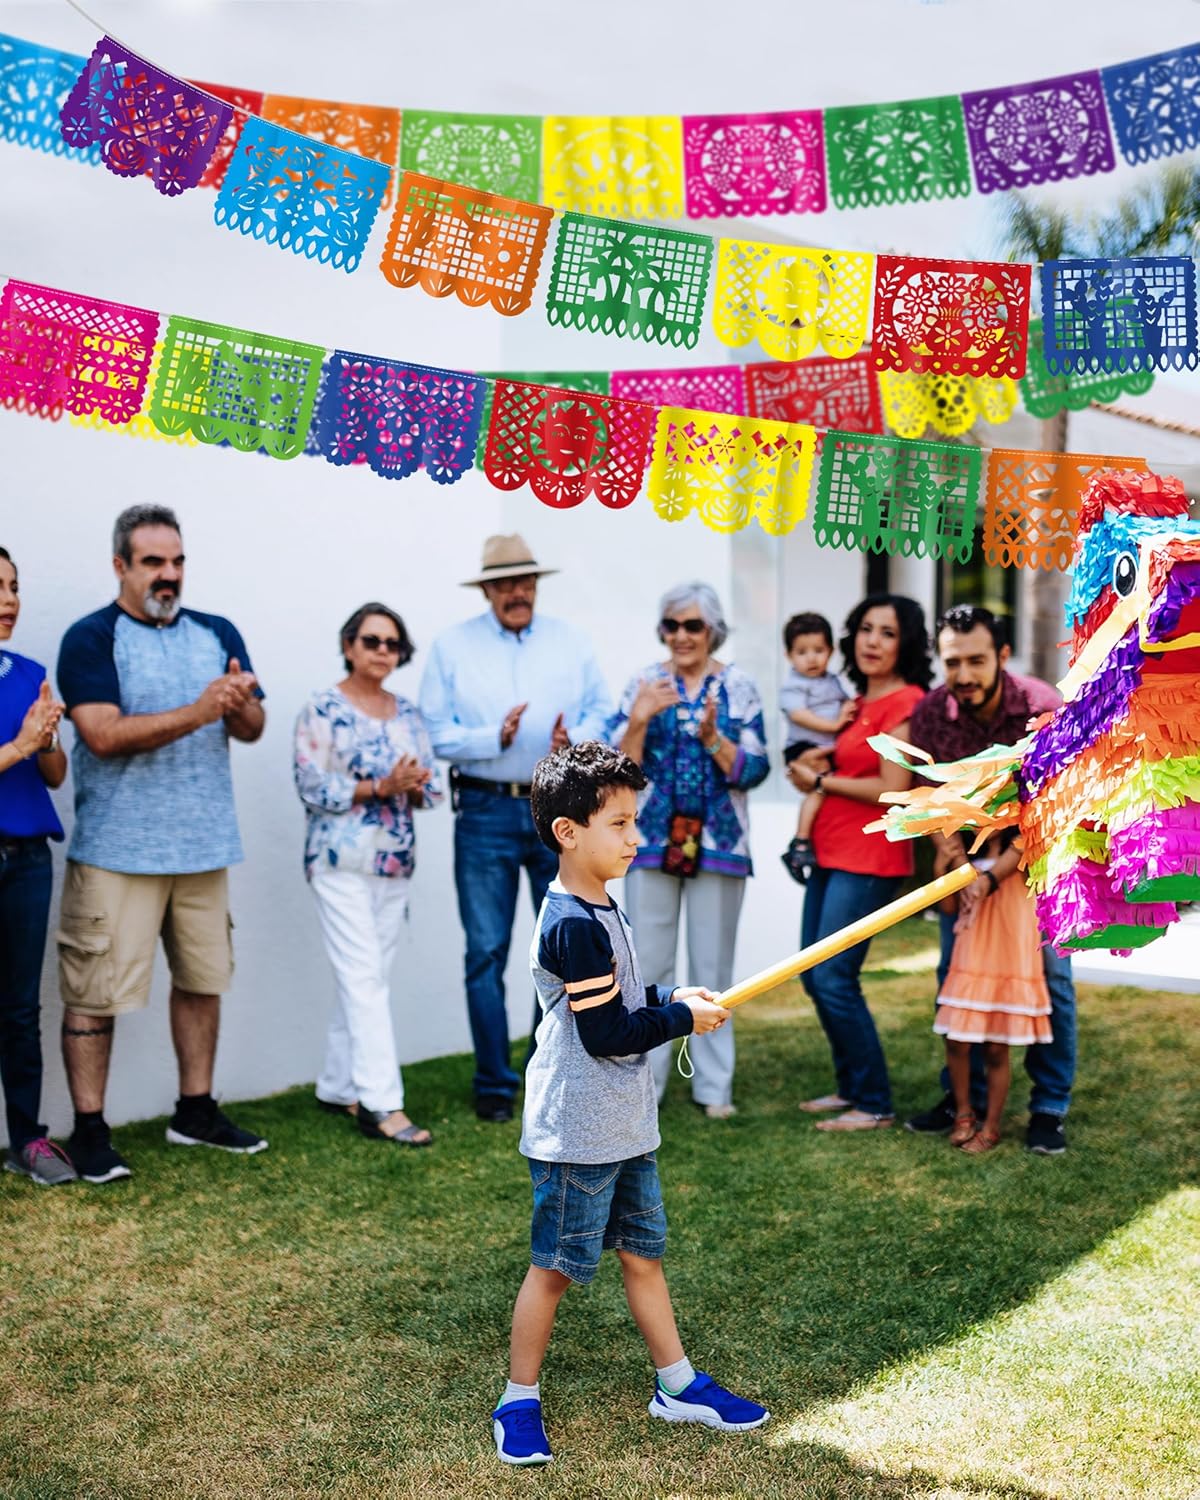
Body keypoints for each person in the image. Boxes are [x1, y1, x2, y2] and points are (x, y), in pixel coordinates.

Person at [491, 741, 768, 1466]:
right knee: (554, 1268)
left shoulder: (601, 905)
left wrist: (672, 998)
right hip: (577, 1134)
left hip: (624, 1127)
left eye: (634, 820)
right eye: (620, 823)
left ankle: (677, 1386)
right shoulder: (571, 925)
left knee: (643, 1256)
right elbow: (609, 1034)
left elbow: (624, 1002)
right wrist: (682, 1021)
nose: (637, 837)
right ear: (568, 832)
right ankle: (517, 1400)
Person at [55, 504, 267, 1184]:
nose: (168, 575)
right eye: (153, 563)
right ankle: (91, 1131)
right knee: (94, 992)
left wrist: (236, 705)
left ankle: (195, 1111)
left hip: (205, 847)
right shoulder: (90, 638)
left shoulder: (216, 631)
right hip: (118, 850)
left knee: (202, 983)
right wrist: (201, 709)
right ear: (121, 565)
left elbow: (253, 726)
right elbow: (103, 735)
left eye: (177, 561)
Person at [419, 534, 612, 1124]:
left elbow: (605, 710)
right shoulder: (452, 647)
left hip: (554, 812)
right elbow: (434, 731)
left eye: (525, 581)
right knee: (486, 950)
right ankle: (493, 1084)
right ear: (487, 590)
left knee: (558, 948)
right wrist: (491, 740)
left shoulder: (570, 641)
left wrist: (575, 737)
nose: (517, 592)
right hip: (482, 811)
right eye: (505, 583)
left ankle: (543, 1068)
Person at [903, 604, 1076, 1155]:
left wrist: (996, 872)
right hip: (965, 872)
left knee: (1050, 981)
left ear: (1003, 655)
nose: (964, 675)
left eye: (977, 660)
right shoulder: (933, 711)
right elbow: (927, 797)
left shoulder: (1042, 708)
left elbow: (1056, 807)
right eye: (953, 662)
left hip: (1040, 866)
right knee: (955, 974)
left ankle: (1049, 1106)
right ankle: (963, 1101)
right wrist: (951, 855)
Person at [609, 583, 769, 1118]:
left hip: (720, 844)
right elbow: (619, 776)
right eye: (672, 625)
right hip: (649, 842)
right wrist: (638, 719)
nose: (682, 636)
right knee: (647, 967)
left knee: (712, 965)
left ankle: (713, 1088)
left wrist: (712, 738)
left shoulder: (739, 686)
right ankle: (642, 1088)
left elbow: (754, 769)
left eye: (693, 626)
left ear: (712, 631)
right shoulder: (644, 682)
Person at [293, 602, 443, 1147]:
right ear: (350, 645)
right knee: (364, 979)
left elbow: (430, 789)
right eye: (372, 640)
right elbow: (312, 786)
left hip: (394, 864)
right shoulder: (322, 708)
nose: (383, 650)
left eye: (392, 643)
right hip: (339, 863)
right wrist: (379, 787)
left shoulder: (408, 713)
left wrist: (414, 784)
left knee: (369, 977)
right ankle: (382, 1103)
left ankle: (337, 1085)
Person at [787, 594, 932, 1131]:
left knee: (834, 976)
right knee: (814, 974)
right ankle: (851, 1087)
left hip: (869, 854)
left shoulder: (907, 703)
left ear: (907, 643)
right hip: (830, 849)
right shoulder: (855, 703)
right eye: (866, 629)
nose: (872, 641)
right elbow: (841, 759)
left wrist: (820, 781)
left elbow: (892, 789)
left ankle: (874, 1102)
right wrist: (814, 764)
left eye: (888, 633)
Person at [0, 548, 76, 1186]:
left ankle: (27, 1139)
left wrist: (45, 740)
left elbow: (53, 774)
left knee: (21, 1010)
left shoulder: (30, 673)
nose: (9, 601)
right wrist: (19, 744)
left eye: (15, 587)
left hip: (25, 861)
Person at [935, 833, 1053, 1153]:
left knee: (997, 1048)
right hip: (971, 952)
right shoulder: (969, 852)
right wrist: (941, 866)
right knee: (957, 1039)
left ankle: (991, 1128)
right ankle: (963, 1113)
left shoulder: (1026, 845)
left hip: (1009, 952)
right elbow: (948, 906)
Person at [778, 611, 854, 885]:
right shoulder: (794, 685)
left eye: (818, 650)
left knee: (828, 789)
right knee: (820, 788)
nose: (811, 658)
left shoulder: (831, 681)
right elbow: (798, 715)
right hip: (803, 745)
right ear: (789, 655)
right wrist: (834, 726)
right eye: (802, 652)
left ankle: (809, 841)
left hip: (825, 744)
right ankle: (799, 843)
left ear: (831, 651)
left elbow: (847, 703)